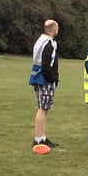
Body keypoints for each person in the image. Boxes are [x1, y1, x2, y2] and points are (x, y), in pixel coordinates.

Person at [28, 19, 59, 149]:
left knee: (44, 108)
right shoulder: (49, 43)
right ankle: (38, 139)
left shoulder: (41, 40)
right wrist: (51, 79)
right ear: (54, 29)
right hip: (44, 78)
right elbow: (46, 64)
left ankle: (42, 136)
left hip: (38, 76)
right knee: (43, 108)